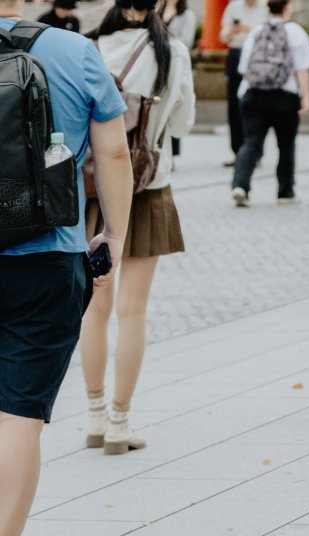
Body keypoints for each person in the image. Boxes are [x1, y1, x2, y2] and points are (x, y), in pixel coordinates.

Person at [0, 0, 133, 534]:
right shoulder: (76, 51)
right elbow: (114, 155)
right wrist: (114, 237)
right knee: (18, 417)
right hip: (48, 255)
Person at [80, 0, 196, 455]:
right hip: (147, 187)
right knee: (132, 311)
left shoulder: (90, 46)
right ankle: (119, 423)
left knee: (95, 307)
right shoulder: (172, 51)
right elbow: (183, 122)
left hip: (93, 191)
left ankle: (92, 418)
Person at [230, 0, 309, 207]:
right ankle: (285, 192)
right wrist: (306, 96)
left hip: (253, 94)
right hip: (285, 96)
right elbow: (302, 67)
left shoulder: (257, 31)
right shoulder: (296, 32)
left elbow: (244, 67)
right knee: (286, 145)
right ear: (287, 7)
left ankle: (240, 185)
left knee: (251, 141)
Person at [219, 0, 266, 167]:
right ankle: (237, 150)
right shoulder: (234, 7)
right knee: (234, 105)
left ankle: (255, 151)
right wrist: (233, 29)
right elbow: (223, 36)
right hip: (236, 53)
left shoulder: (266, 6)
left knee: (257, 105)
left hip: (258, 56)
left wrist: (251, 30)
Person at [159, 0, 197, 162]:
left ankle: (171, 153)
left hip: (175, 62)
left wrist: (163, 42)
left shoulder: (187, 14)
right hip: (157, 62)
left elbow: (187, 40)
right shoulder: (157, 9)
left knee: (175, 103)